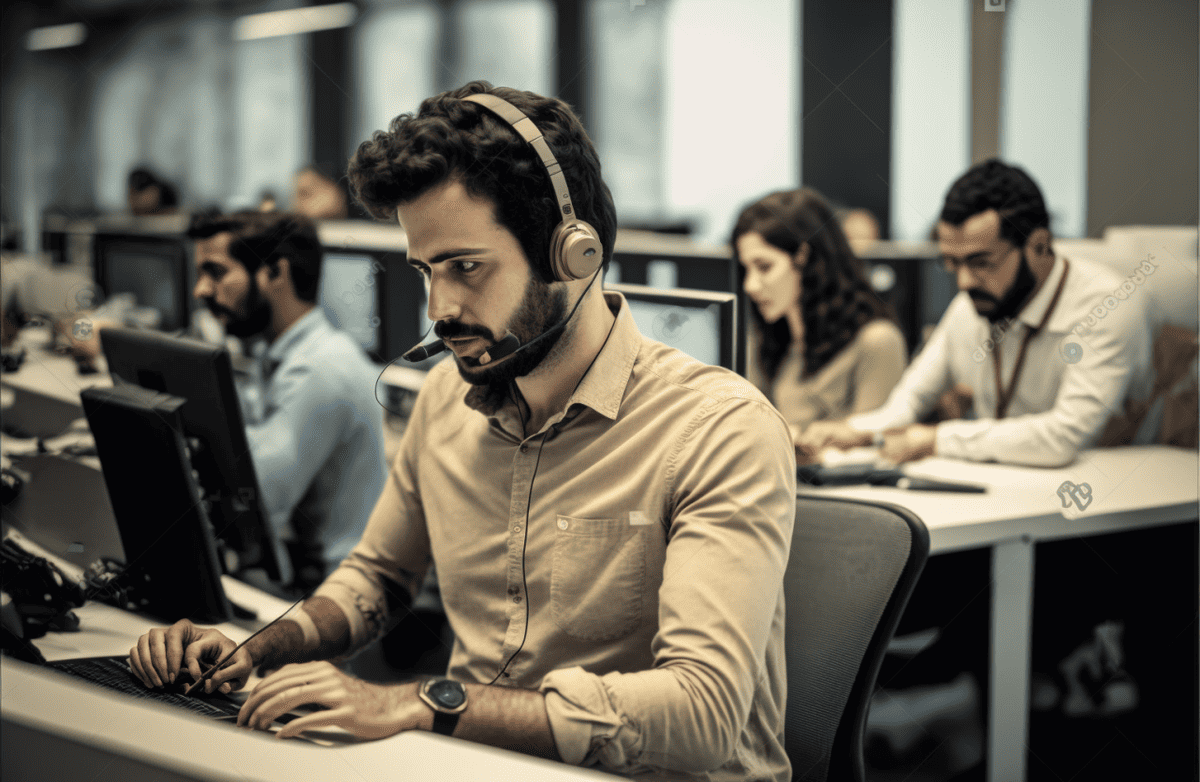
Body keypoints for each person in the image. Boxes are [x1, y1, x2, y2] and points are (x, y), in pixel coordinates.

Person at [129, 81, 796, 781]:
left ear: (573, 253)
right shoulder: (447, 400)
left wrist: (426, 703)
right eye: (425, 271)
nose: (439, 309)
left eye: (466, 267)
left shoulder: (719, 429)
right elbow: (380, 578)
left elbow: (703, 714)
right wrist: (259, 649)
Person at [796, 158, 1152, 467]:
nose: (964, 281)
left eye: (982, 262)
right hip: (1002, 491)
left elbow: (1064, 437)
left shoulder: (1107, 305)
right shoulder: (972, 304)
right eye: (953, 263)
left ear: (1039, 245)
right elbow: (909, 401)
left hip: (1106, 512)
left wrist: (935, 439)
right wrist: (850, 431)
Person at [186, 210, 385, 590]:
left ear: (275, 273)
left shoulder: (319, 369)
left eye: (216, 272)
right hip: (307, 573)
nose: (201, 291)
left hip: (337, 595)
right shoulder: (280, 354)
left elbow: (253, 504)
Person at [733, 188, 907, 440]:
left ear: (803, 257)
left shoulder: (877, 341)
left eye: (764, 267)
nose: (750, 285)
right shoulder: (773, 338)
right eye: (745, 269)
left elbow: (875, 450)